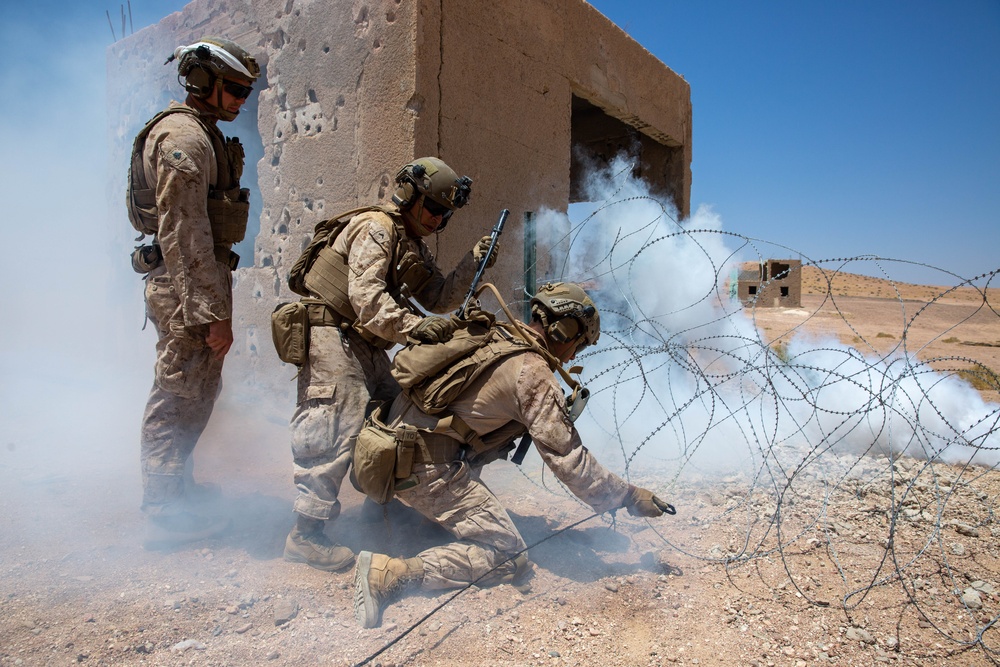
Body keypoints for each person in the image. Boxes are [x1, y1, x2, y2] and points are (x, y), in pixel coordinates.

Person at [351, 282, 673, 629]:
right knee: (508, 554)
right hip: (425, 470)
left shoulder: (493, 336)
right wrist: (626, 496)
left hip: (381, 451)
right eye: (578, 343)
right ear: (563, 329)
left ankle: (405, 516)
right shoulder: (532, 373)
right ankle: (389, 575)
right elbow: (569, 459)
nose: (575, 355)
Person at [282, 157, 500, 572]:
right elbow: (367, 299)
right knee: (337, 423)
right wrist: (417, 328)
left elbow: (437, 296)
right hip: (333, 334)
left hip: (366, 344)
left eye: (445, 214)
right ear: (410, 195)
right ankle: (305, 534)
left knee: (397, 419)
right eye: (434, 208)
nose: (438, 219)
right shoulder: (377, 229)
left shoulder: (410, 242)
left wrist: (474, 260)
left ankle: (379, 510)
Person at [127, 37, 260, 549]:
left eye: (247, 91)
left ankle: (175, 485)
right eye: (235, 90)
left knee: (198, 389)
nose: (241, 101)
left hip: (197, 282)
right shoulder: (184, 138)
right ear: (204, 82)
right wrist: (210, 313)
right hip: (186, 286)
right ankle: (163, 508)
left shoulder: (202, 134)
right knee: (178, 389)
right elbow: (185, 233)